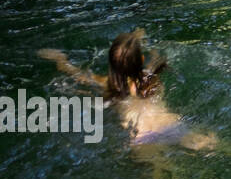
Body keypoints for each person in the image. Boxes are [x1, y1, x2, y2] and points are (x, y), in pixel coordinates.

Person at [39, 30, 215, 149]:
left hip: (141, 136)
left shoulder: (109, 84)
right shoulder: (151, 78)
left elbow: (77, 74)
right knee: (217, 147)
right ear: (141, 59)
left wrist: (59, 59)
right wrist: (141, 38)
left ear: (112, 64)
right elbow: (156, 56)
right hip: (168, 124)